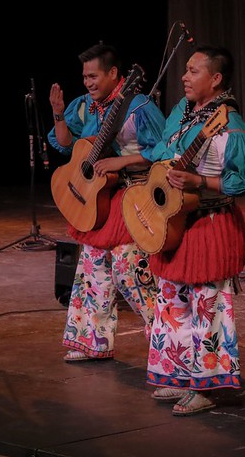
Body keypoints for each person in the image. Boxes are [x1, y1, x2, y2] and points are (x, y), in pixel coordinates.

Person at [144, 45, 245, 416]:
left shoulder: (231, 123)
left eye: (193, 71)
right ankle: (176, 374)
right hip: (175, 218)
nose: (184, 77)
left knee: (208, 304)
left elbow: (242, 180)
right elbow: (160, 147)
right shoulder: (181, 111)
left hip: (210, 222)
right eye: (185, 70)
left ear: (216, 78)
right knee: (172, 300)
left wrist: (199, 180)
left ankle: (207, 385)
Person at [47, 43, 165, 362]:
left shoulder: (138, 106)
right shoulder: (86, 105)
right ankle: (93, 340)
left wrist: (122, 163)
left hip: (133, 194)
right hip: (99, 197)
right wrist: (58, 113)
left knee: (129, 268)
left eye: (94, 75)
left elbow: (165, 151)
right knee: (92, 265)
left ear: (114, 74)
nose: (88, 82)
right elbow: (64, 144)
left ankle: (166, 341)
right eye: (84, 76)